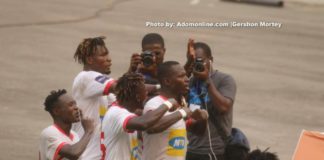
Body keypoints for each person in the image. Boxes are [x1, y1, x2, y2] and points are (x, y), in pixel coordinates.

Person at [101, 73, 186, 160]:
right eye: (145, 92)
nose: (147, 95)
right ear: (138, 97)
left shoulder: (128, 113)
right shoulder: (117, 113)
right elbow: (144, 123)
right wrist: (170, 104)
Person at [142, 61, 209, 160]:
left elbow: (198, 132)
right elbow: (151, 127)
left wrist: (203, 119)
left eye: (186, 76)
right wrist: (181, 113)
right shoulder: (155, 103)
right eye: (181, 76)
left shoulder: (180, 104)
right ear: (167, 81)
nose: (187, 80)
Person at [185, 41, 237, 160]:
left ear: (210, 59)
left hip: (215, 151)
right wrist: (187, 68)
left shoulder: (225, 80)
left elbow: (223, 107)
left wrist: (207, 80)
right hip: (192, 149)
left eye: (200, 60)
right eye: (193, 61)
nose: (197, 64)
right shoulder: (189, 82)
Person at [72, 36, 116, 160]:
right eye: (103, 55)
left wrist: (133, 72)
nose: (109, 59)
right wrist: (158, 86)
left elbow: (123, 99)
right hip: (86, 156)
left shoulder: (99, 90)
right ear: (90, 59)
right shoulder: (86, 77)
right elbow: (121, 87)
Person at [39, 89, 94, 160]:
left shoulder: (74, 135)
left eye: (75, 104)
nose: (76, 108)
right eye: (71, 105)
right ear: (56, 111)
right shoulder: (49, 133)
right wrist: (88, 131)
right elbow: (73, 153)